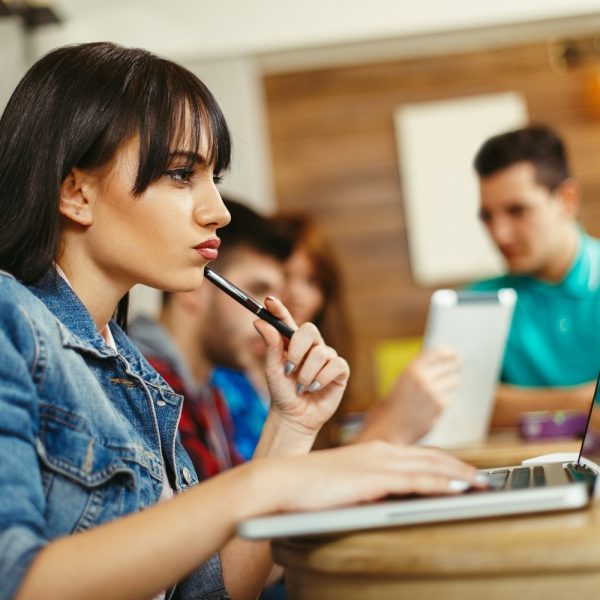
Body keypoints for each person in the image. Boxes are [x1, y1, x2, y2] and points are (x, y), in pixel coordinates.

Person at [0, 42, 484, 600]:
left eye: (214, 178)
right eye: (182, 174)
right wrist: (265, 483)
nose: (219, 211)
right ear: (76, 191)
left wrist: (292, 427)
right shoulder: (12, 322)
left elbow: (207, 591)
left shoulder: (128, 366)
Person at [130, 197, 292, 468]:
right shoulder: (142, 387)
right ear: (193, 288)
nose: (273, 316)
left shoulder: (209, 392)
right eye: (256, 291)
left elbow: (243, 497)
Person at [276, 213, 462, 446]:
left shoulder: (321, 358)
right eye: (284, 276)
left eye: (312, 281)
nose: (296, 295)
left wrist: (379, 423)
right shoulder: (245, 377)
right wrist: (387, 430)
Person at [470, 124, 600, 427]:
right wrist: (581, 402)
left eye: (517, 211)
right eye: (487, 216)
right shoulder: (478, 302)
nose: (499, 234)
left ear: (567, 199)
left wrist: (514, 402)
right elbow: (465, 406)